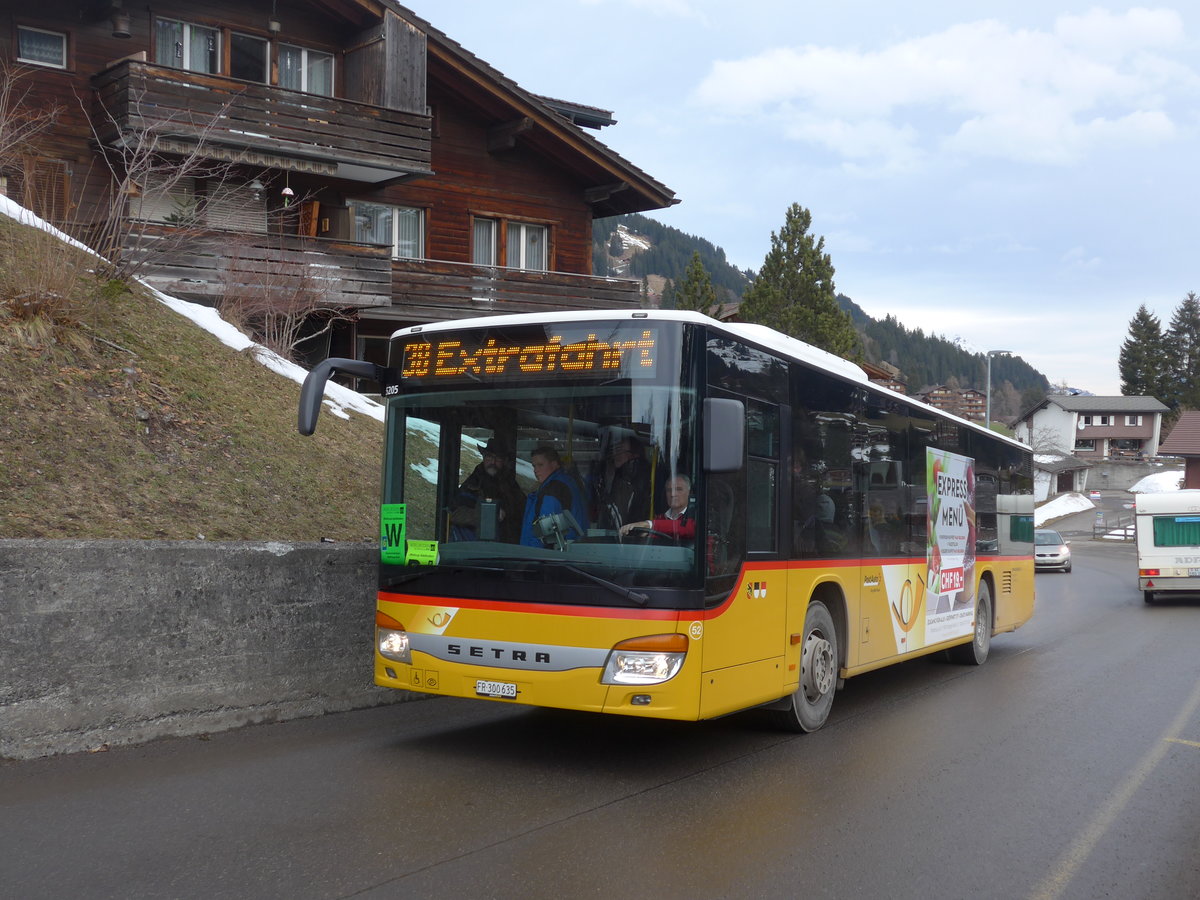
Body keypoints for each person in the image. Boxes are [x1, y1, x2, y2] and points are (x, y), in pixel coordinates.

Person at [448, 438, 524, 543]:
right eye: (489, 456)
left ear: (504, 461)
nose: (493, 462)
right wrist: (487, 515)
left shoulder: (510, 484)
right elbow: (455, 514)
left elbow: (521, 511)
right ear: (484, 457)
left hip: (507, 547)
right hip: (477, 548)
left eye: (498, 458)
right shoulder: (473, 484)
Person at [520, 446, 590, 547]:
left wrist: (530, 556)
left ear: (554, 464)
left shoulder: (553, 490)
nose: (535, 470)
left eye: (540, 465)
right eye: (534, 466)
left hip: (546, 556)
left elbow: (545, 533)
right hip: (573, 549)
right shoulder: (569, 482)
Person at [593, 435, 651, 530]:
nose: (616, 454)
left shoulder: (633, 480)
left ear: (635, 455)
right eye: (615, 451)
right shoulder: (613, 474)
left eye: (621, 451)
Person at [619, 474, 695, 541]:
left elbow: (687, 528)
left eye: (679, 489)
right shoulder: (660, 518)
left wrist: (649, 524)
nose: (672, 494)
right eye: (669, 490)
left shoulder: (696, 516)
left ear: (690, 493)